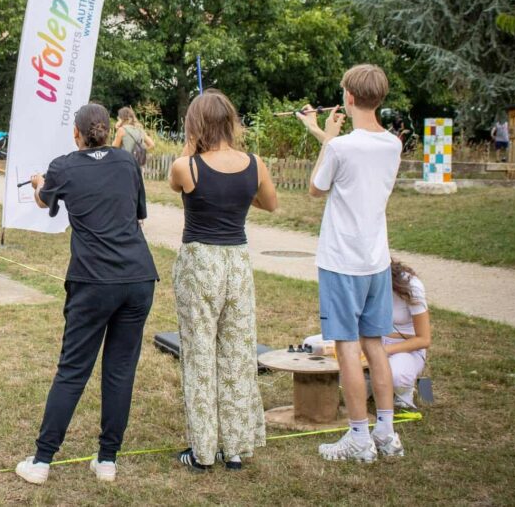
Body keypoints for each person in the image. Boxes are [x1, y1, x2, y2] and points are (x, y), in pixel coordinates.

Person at [15, 103, 158, 486]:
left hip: (94, 281)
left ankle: (42, 460)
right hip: (138, 277)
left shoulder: (64, 166)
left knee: (73, 369)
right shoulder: (127, 164)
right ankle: (107, 460)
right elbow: (137, 214)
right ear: (107, 129)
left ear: (76, 134)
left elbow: (44, 200)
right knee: (120, 371)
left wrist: (38, 185)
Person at [298, 63, 404, 463]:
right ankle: (386, 433)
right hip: (376, 258)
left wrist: (327, 137)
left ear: (349, 97)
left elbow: (315, 188)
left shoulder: (342, 147)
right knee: (374, 344)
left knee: (346, 347)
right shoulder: (393, 144)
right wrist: (324, 135)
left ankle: (359, 437)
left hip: (341, 259)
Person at [167, 89, 278, 472]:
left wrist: (190, 146)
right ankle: (234, 447)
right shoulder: (255, 164)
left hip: (200, 260)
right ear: (231, 121)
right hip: (237, 262)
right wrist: (240, 194)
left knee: (199, 355)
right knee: (237, 355)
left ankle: (202, 450)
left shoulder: (187, 166)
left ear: (195, 124)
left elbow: (175, 187)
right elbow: (270, 203)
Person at [384, 259, 431, 410]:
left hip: (407, 349)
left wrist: (383, 351)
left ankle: (404, 391)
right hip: (373, 340)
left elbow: (424, 339)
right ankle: (373, 383)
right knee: (313, 345)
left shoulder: (411, 285)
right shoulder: (363, 282)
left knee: (396, 375)